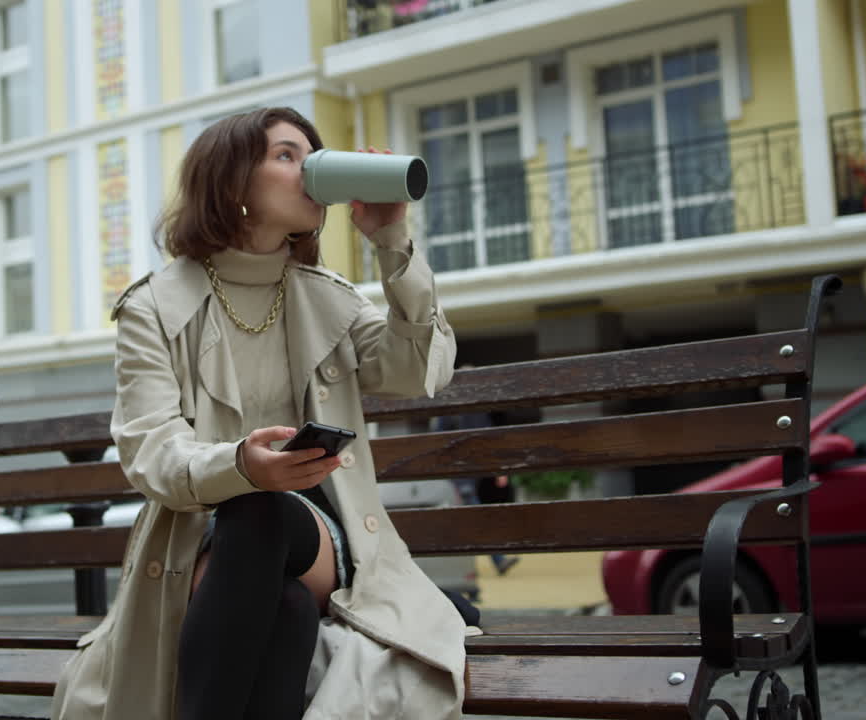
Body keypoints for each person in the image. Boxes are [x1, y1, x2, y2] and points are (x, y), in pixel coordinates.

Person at [50, 107, 464, 720]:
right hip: (200, 542)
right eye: (287, 155)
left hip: (317, 536)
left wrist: (391, 241)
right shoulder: (154, 308)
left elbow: (420, 369)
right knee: (285, 607)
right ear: (231, 180)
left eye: (312, 156)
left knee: (258, 512)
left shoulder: (330, 297)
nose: (310, 170)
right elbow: (150, 450)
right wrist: (241, 466)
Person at [431, 402, 520, 576]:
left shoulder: (474, 410)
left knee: (470, 518)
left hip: (470, 470)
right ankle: (496, 561)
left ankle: (484, 563)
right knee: (474, 516)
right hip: (459, 473)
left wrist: (498, 469)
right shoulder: (452, 410)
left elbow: (488, 439)